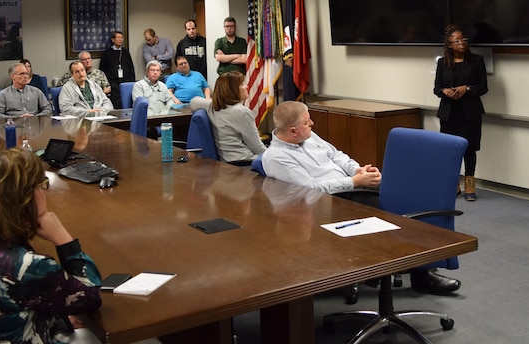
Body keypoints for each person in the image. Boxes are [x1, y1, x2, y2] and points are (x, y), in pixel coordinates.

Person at [263, 101, 461, 294]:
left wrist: (358, 170)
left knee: (413, 198)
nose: (312, 125)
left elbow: (336, 155)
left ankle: (413, 267)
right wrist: (355, 182)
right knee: (402, 214)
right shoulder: (277, 157)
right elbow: (310, 189)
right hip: (329, 204)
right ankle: (419, 276)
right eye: (307, 123)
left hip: (352, 187)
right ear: (292, 131)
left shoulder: (307, 135)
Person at [0, 148, 103, 344]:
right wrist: (63, 239)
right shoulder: (29, 267)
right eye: (42, 185)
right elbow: (90, 299)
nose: (44, 191)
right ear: (23, 198)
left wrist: (56, 313)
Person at [433, 25, 488, 201]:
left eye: (463, 40)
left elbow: (483, 87)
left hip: (470, 113)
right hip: (449, 114)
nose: (461, 43)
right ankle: (454, 185)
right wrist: (445, 91)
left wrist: (468, 88)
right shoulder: (442, 63)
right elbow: (437, 88)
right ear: (449, 45)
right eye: (457, 41)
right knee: (451, 151)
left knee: (469, 150)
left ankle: (470, 187)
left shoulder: (477, 61)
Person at [190, 71, 265, 163]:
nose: (246, 86)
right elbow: (258, 148)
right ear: (232, 90)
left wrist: (211, 102)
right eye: (242, 85)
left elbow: (193, 101)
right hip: (245, 162)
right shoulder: (242, 113)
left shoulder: (213, 107)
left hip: (229, 161)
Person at [99, 31, 137, 109]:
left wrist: (132, 81)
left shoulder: (125, 52)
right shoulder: (107, 53)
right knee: (116, 99)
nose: (120, 40)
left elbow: (131, 67)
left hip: (126, 80)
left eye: (122, 38)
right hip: (113, 82)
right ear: (113, 40)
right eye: (118, 38)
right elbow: (102, 69)